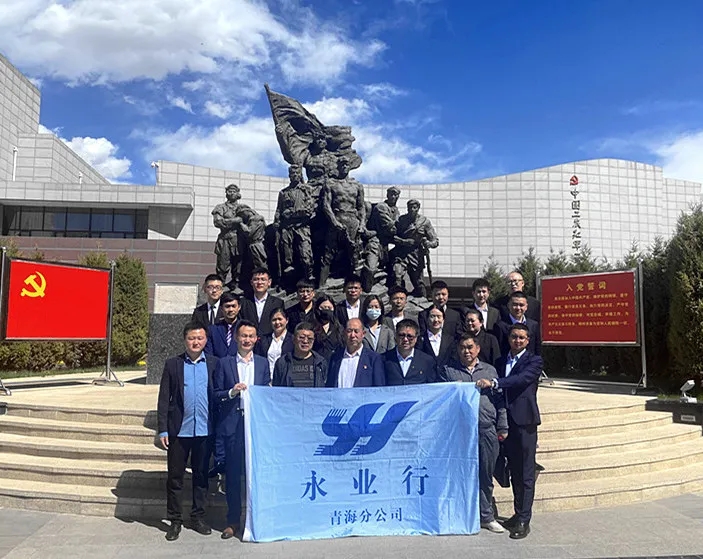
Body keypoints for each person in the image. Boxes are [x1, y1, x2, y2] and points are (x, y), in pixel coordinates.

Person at [477, 323, 544, 540]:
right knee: (513, 469)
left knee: (526, 472)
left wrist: (495, 383)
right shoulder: (500, 361)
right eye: (514, 336)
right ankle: (517, 513)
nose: (517, 340)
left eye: (522, 338)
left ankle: (524, 519)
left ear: (528, 340)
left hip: (524, 422)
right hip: (504, 422)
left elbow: (521, 380)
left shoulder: (534, 361)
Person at [157, 321, 217, 541]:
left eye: (200, 338)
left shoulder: (214, 364)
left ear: (206, 340)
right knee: (175, 478)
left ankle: (198, 517)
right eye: (192, 338)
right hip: (179, 431)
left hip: (205, 430)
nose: (195, 342)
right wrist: (163, 429)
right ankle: (175, 520)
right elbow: (164, 398)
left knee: (201, 476)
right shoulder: (173, 364)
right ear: (185, 340)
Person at [441, 334, 508, 534]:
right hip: (459, 433)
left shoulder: (489, 370)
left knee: (485, 475)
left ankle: (486, 516)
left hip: (486, 429)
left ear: (477, 349)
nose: (466, 351)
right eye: (462, 347)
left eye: (470, 347)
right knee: (460, 474)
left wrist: (502, 426)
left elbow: (500, 400)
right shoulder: (449, 371)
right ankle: (460, 514)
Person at [213, 320, 270, 540]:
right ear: (236, 337)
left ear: (256, 339)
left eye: (251, 336)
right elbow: (215, 393)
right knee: (234, 476)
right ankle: (233, 521)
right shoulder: (224, 363)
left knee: (257, 474)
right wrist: (231, 392)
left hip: (255, 426)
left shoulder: (263, 364)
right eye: (243, 336)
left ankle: (257, 519)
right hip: (233, 426)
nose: (247, 340)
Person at [318, 157, 367, 287]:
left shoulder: (357, 185)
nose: (344, 166)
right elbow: (326, 205)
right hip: (337, 218)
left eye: (347, 164)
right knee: (327, 255)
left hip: (352, 221)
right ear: (338, 166)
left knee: (354, 255)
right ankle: (321, 286)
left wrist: (362, 224)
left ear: (350, 166)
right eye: (342, 164)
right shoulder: (330, 183)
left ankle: (355, 286)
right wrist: (334, 221)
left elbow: (361, 207)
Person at [212, 183, 267, 289]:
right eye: (229, 191)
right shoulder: (220, 207)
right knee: (222, 265)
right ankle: (219, 286)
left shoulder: (243, 208)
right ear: (226, 193)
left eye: (234, 191)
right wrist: (235, 221)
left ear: (238, 194)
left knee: (238, 265)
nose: (232, 193)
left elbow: (254, 219)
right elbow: (218, 222)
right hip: (225, 239)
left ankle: (236, 286)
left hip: (239, 240)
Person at [272, 164, 316, 281]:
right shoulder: (283, 192)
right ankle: (288, 284)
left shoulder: (307, 190)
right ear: (289, 175)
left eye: (297, 173)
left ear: (301, 175)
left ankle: (309, 278)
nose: (295, 175)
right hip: (287, 228)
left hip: (302, 227)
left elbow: (310, 210)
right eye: (293, 173)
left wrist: (292, 213)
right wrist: (276, 220)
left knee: (305, 255)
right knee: (287, 258)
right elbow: (279, 210)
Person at [390, 199, 439, 297]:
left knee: (418, 282)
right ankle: (398, 297)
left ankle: (422, 299)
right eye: (410, 207)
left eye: (414, 207)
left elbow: (435, 240)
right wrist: (403, 241)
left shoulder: (424, 222)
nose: (412, 209)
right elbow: (392, 237)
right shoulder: (401, 220)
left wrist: (428, 244)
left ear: (418, 208)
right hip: (401, 253)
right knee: (397, 275)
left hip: (416, 254)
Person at [361, 186, 400, 291]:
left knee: (394, 267)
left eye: (396, 195)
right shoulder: (381, 207)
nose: (393, 197)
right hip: (375, 241)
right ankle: (366, 290)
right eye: (391, 194)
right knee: (371, 267)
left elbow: (396, 227)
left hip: (384, 244)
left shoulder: (395, 210)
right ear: (387, 195)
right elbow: (389, 227)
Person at [327, 318, 385, 387]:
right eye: (349, 331)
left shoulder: (373, 359)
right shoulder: (335, 358)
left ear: (363, 334)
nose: (352, 335)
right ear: (344, 333)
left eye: (356, 331)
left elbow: (379, 388)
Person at [382, 318, 436, 385]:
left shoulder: (427, 361)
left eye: (410, 336)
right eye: (401, 335)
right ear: (395, 336)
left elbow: (432, 387)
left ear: (416, 339)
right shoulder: (383, 359)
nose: (405, 339)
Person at [273, 322, 328, 387]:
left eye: (310, 338)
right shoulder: (282, 362)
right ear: (293, 339)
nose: (305, 341)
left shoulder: (321, 363)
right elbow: (276, 389)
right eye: (301, 337)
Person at [239, 268, 284, 337]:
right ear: (251, 282)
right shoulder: (243, 303)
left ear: (269, 282)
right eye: (256, 279)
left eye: (263, 279)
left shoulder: (278, 303)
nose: (259, 282)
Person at [495, 291, 541, 356]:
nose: (518, 308)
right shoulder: (500, 326)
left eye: (521, 305)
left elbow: (537, 349)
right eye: (515, 304)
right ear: (508, 305)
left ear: (526, 307)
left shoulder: (533, 325)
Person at [254, 307, 293, 376]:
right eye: (274, 320)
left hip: (285, 378)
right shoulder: (263, 340)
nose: (277, 322)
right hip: (267, 378)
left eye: (280, 319)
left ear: (287, 320)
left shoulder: (293, 340)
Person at [204, 292, 241, 358]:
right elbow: (209, 355)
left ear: (239, 307)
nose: (231, 309)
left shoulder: (246, 329)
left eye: (233, 306)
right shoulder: (212, 330)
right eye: (227, 306)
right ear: (221, 308)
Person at [312, 295, 345, 361]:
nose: (326, 310)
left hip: (334, 362)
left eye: (329, 308)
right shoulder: (311, 328)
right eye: (323, 308)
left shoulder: (339, 329)